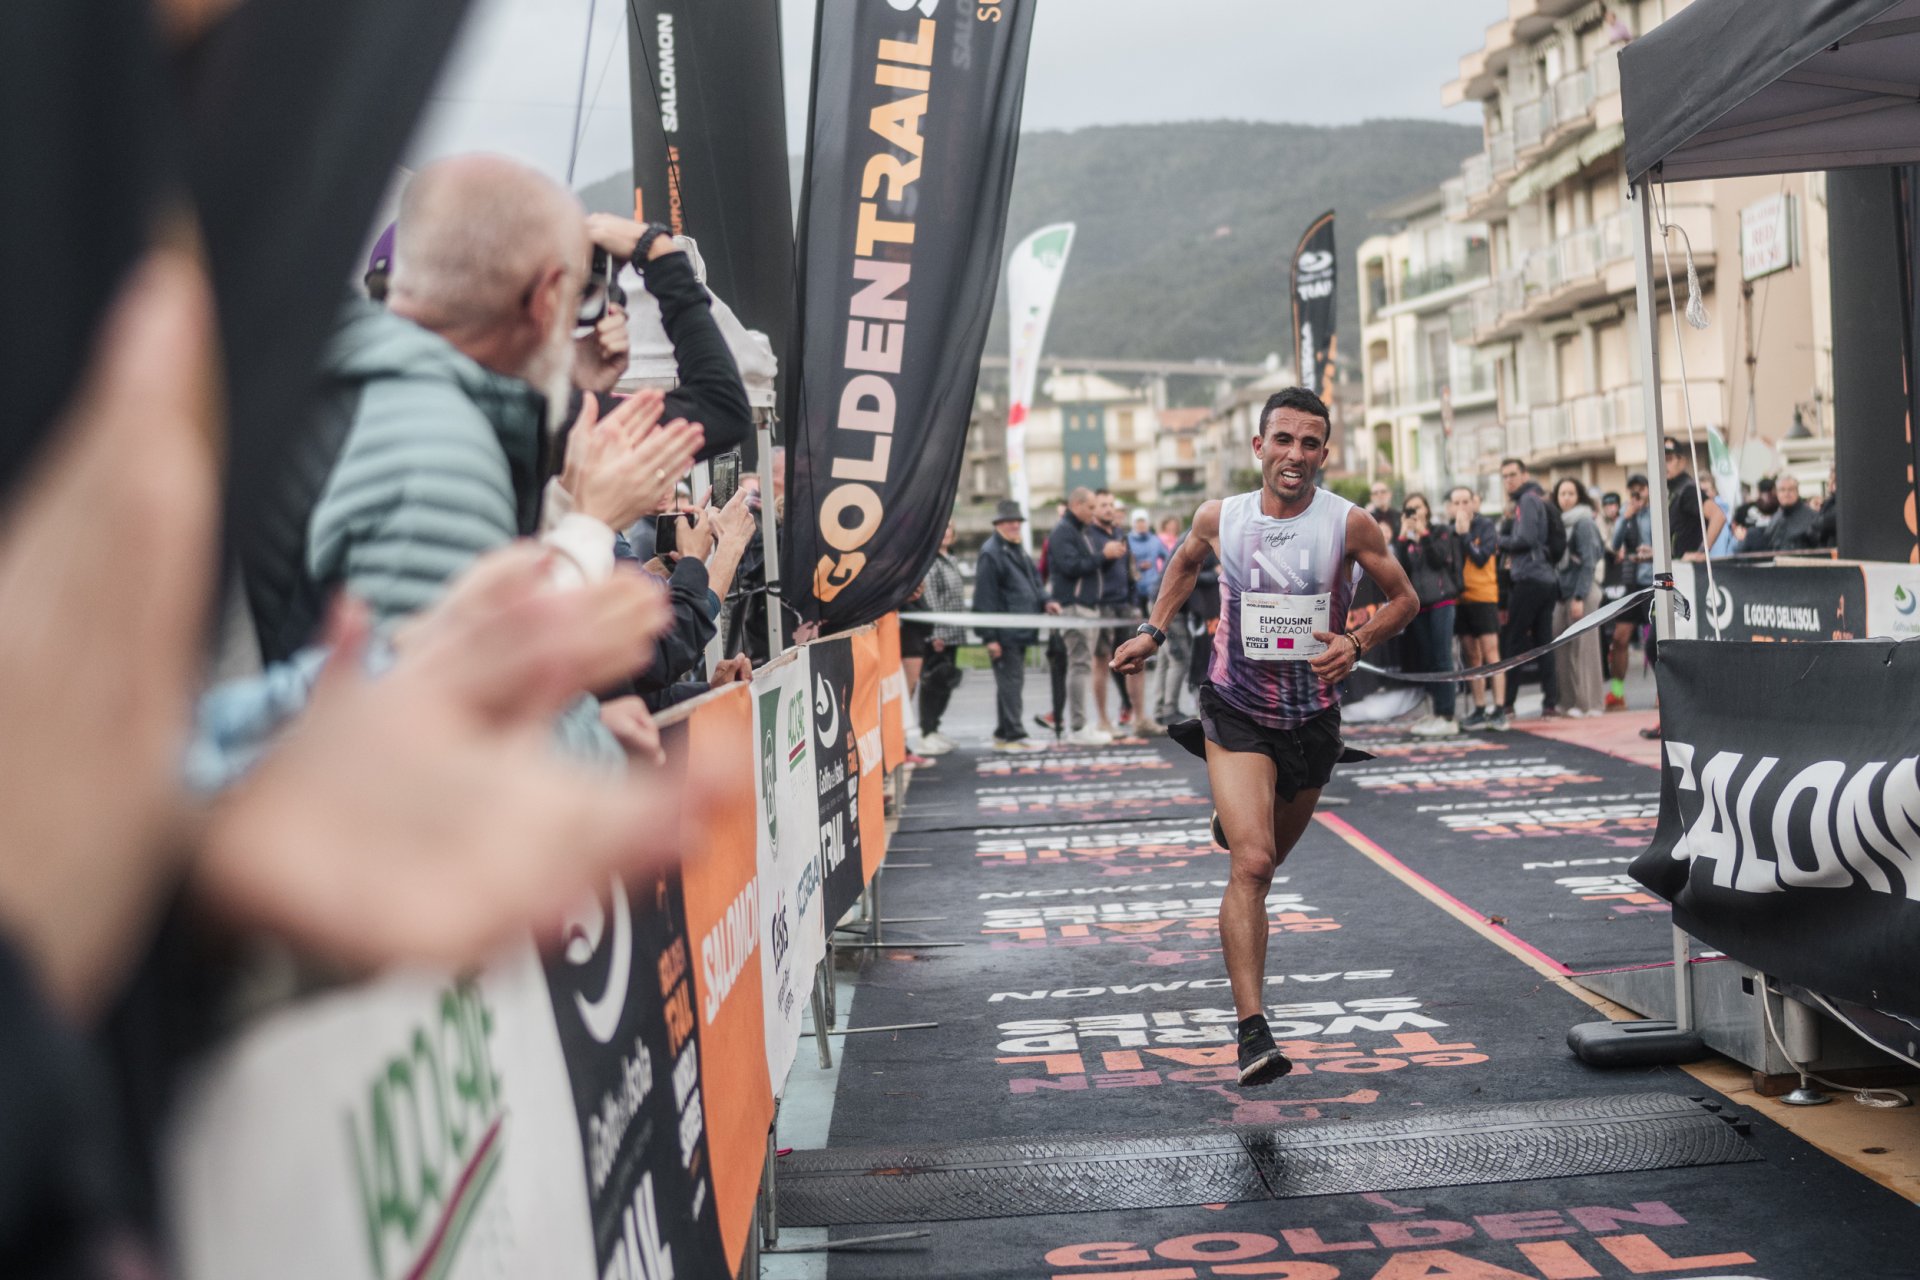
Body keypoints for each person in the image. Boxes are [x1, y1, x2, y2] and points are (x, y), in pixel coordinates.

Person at [1112, 387, 1417, 1087]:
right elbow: (1185, 562)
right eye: (1283, 439)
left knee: (1268, 857)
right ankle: (1252, 1030)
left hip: (1312, 720)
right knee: (1251, 866)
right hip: (1237, 709)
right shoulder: (1221, 517)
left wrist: (1357, 641)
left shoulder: (1350, 523)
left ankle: (1237, 811)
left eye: (1310, 443)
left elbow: (1405, 599)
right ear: (1259, 446)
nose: (1295, 455)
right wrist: (1153, 630)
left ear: (1324, 453)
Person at [974, 501, 1059, 751]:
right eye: (1009, 521)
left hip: (1018, 629)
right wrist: (990, 637)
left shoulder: (1015, 547)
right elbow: (985, 597)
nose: (1014, 525)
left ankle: (1003, 732)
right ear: (998, 524)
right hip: (1005, 632)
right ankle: (1015, 735)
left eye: (1017, 521)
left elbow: (1034, 581)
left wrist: (1046, 600)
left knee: (1009, 683)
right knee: (1011, 683)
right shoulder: (991, 552)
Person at [1047, 488, 1117, 746]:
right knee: (1079, 665)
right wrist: (1103, 556)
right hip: (1075, 608)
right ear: (1076, 505)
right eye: (1090, 507)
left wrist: (1108, 558)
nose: (1094, 512)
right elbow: (1071, 567)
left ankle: (1080, 724)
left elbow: (1091, 566)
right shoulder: (1063, 531)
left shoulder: (1080, 531)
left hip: (1087, 607)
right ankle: (1078, 726)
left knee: (1083, 665)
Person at [1393, 493, 1462, 736]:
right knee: (1428, 659)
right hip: (1419, 606)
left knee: (1443, 657)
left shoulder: (1440, 531)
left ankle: (1447, 714)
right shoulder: (1407, 538)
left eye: (1418, 507)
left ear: (1427, 510)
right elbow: (1399, 570)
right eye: (1409, 509)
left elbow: (1438, 559)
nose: (1414, 512)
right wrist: (1402, 537)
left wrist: (1423, 532)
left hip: (1441, 602)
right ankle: (1435, 712)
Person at [1497, 458, 1560, 719]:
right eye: (1504, 476)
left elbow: (1526, 539)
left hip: (1531, 579)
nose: (1508, 480)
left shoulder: (1527, 500)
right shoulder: (1534, 498)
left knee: (1514, 641)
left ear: (1524, 475)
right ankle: (1549, 703)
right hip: (1543, 578)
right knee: (1543, 642)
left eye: (1513, 474)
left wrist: (1499, 540)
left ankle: (1507, 704)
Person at [1447, 486, 1507, 731]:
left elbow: (1481, 557)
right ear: (1450, 507)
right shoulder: (1449, 531)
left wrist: (1465, 536)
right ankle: (1480, 707)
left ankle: (1500, 707)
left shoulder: (1485, 526)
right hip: (1461, 598)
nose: (1461, 507)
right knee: (1471, 654)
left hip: (1483, 595)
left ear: (1474, 502)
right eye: (1456, 502)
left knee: (1491, 652)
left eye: (1465, 501)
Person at [1552, 478, 1607, 717]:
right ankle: (1568, 702)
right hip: (1563, 593)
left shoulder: (1584, 522)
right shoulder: (1558, 523)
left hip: (1582, 592)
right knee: (1562, 649)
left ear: (1579, 496)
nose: (1566, 498)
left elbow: (1589, 562)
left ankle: (1589, 704)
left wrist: (1578, 596)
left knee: (1584, 649)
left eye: (1571, 493)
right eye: (1562, 493)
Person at [912, 522, 968, 755]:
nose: (945, 533)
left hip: (953, 634)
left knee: (945, 684)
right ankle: (926, 732)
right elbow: (931, 598)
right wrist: (936, 634)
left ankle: (935, 728)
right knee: (932, 684)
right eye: (942, 527)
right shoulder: (931, 561)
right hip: (938, 635)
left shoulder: (951, 559)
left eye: (949, 528)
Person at [1607, 474, 1654, 711]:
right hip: (1630, 582)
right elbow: (1614, 545)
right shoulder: (1627, 512)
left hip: (1653, 581)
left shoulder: (1656, 511)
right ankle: (1617, 693)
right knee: (1619, 637)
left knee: (1656, 640)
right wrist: (1625, 517)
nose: (1637, 495)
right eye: (1632, 491)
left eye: (1641, 490)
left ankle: (1663, 693)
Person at [1151, 515, 1194, 724]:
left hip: (1163, 600)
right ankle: (1169, 708)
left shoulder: (1189, 536)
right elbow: (1190, 574)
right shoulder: (1195, 539)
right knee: (1179, 658)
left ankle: (1160, 708)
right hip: (1170, 604)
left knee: (1165, 659)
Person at [1745, 472, 1821, 553]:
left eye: (1791, 489)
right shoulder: (1776, 517)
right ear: (1777, 493)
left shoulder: (1812, 517)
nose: (1786, 494)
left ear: (1797, 491)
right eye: (1782, 490)